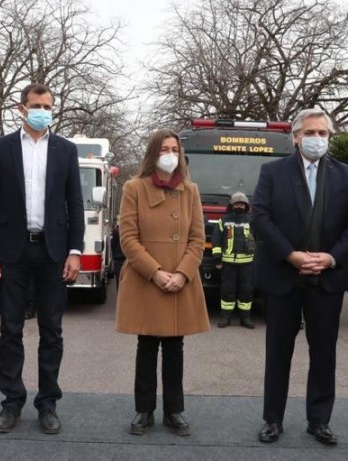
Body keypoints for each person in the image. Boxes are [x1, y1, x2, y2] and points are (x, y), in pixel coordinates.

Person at [251, 108, 348, 445]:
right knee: (278, 352)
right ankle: (273, 419)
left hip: (326, 279)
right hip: (283, 277)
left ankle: (319, 421)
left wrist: (330, 258)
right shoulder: (273, 172)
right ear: (296, 136)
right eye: (311, 133)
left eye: (323, 133)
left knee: (324, 353)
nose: (317, 139)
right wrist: (292, 255)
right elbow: (260, 217)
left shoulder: (345, 175)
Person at [0, 83, 84, 435]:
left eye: (48, 106)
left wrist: (75, 250)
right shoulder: (0, 149)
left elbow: (75, 204)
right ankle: (11, 402)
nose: (43, 111)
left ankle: (48, 403)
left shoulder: (66, 150)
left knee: (52, 331)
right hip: (11, 251)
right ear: (22, 108)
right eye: (36, 105)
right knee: (11, 329)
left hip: (53, 251)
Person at [115, 129, 209, 437]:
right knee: (146, 345)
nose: (170, 154)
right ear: (153, 154)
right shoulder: (134, 188)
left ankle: (174, 410)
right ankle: (144, 410)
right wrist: (155, 272)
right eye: (164, 149)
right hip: (146, 280)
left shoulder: (191, 190)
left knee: (174, 347)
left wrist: (182, 273)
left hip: (181, 281)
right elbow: (128, 239)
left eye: (174, 149)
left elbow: (198, 239)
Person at [211, 192, 255, 329]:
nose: (239, 206)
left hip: (247, 264)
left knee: (246, 291)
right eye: (237, 204)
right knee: (227, 290)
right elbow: (216, 240)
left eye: (242, 204)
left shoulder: (252, 221)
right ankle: (225, 318)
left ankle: (245, 318)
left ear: (246, 206)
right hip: (228, 263)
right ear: (231, 206)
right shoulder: (223, 221)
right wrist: (217, 259)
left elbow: (259, 240)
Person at [111, 217, 125, 290]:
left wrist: (114, 255)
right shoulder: (129, 231)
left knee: (119, 280)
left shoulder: (116, 231)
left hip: (118, 259)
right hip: (128, 259)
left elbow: (113, 244)